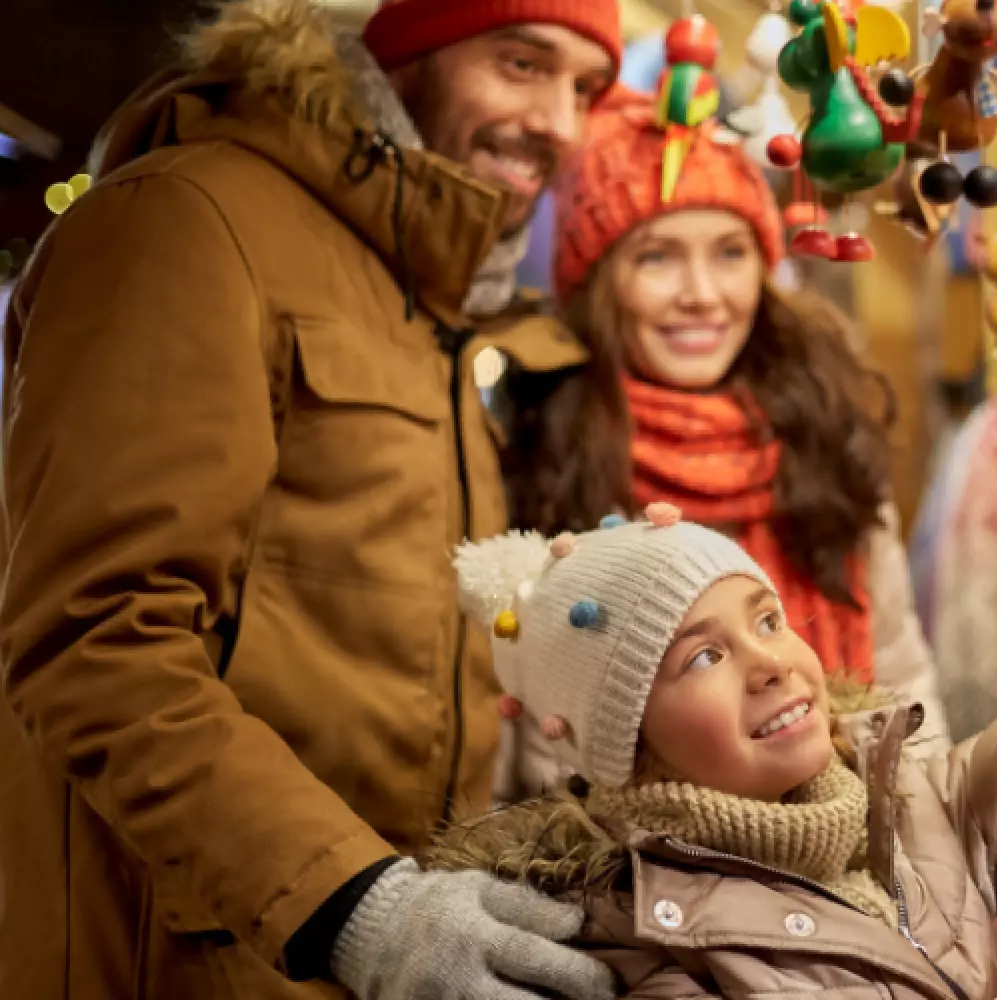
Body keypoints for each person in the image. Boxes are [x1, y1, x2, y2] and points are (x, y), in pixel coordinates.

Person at [0, 0, 626, 997]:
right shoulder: (184, 218)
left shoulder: (422, 297)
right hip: (186, 960)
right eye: (520, 63)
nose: (559, 120)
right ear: (404, 56)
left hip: (366, 954)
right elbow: (94, 635)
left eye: (586, 88)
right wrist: (356, 904)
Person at [431, 384, 997, 1000]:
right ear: (624, 744)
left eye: (764, 618)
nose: (769, 662)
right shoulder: (658, 954)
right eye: (700, 659)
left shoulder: (910, 802)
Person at [498, 101, 954, 790]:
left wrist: (923, 845)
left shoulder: (821, 427)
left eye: (731, 253)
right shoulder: (544, 455)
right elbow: (540, 755)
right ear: (595, 283)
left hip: (856, 839)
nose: (703, 295)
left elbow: (900, 675)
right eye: (657, 258)